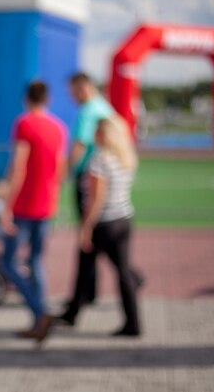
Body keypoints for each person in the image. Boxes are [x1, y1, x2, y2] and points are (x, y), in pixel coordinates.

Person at [0, 81, 67, 344]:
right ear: (47, 99)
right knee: (36, 261)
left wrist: (6, 203)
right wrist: (54, 199)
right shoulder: (58, 127)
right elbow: (60, 168)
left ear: (26, 98)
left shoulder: (24, 123)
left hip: (24, 205)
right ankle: (39, 320)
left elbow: (19, 166)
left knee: (8, 261)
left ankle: (40, 313)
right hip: (45, 204)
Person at [73, 115, 141, 336]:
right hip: (123, 218)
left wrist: (86, 227)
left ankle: (72, 312)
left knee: (84, 267)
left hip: (104, 223)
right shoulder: (125, 158)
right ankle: (133, 322)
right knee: (122, 271)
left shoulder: (99, 160)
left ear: (103, 135)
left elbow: (96, 199)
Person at [59, 72, 114, 324]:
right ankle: (88, 292)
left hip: (88, 178)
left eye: (73, 91)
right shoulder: (104, 106)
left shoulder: (88, 111)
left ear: (82, 88)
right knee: (98, 235)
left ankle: (80, 299)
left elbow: (80, 145)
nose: (72, 97)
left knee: (87, 236)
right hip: (105, 175)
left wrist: (64, 172)